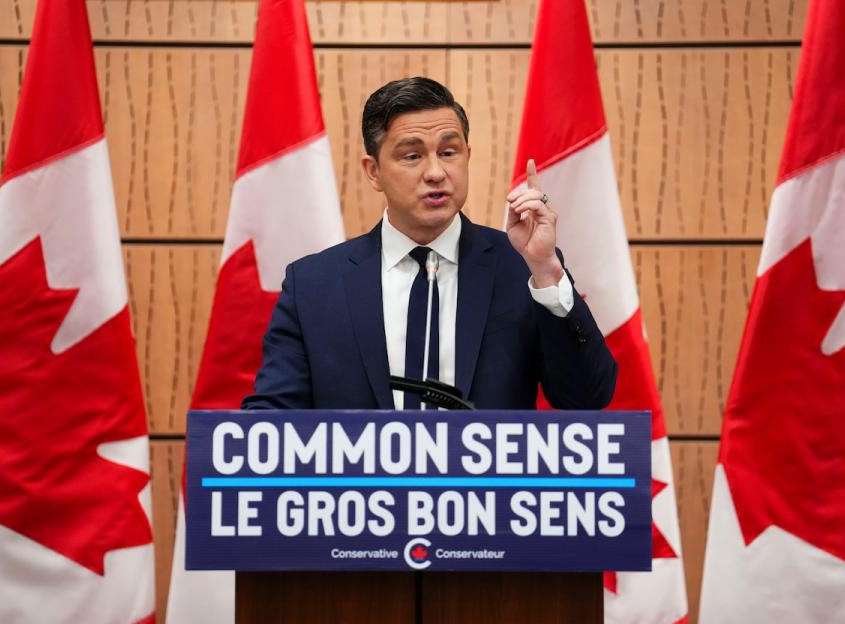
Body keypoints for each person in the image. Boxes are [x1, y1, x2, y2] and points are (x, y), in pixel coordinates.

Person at [242, 77, 616, 410]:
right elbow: (273, 418)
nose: (436, 172)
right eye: (412, 155)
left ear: (467, 157)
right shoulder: (314, 284)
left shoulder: (522, 268)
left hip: (487, 490)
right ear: (374, 172)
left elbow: (588, 397)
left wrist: (548, 272)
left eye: (449, 152)